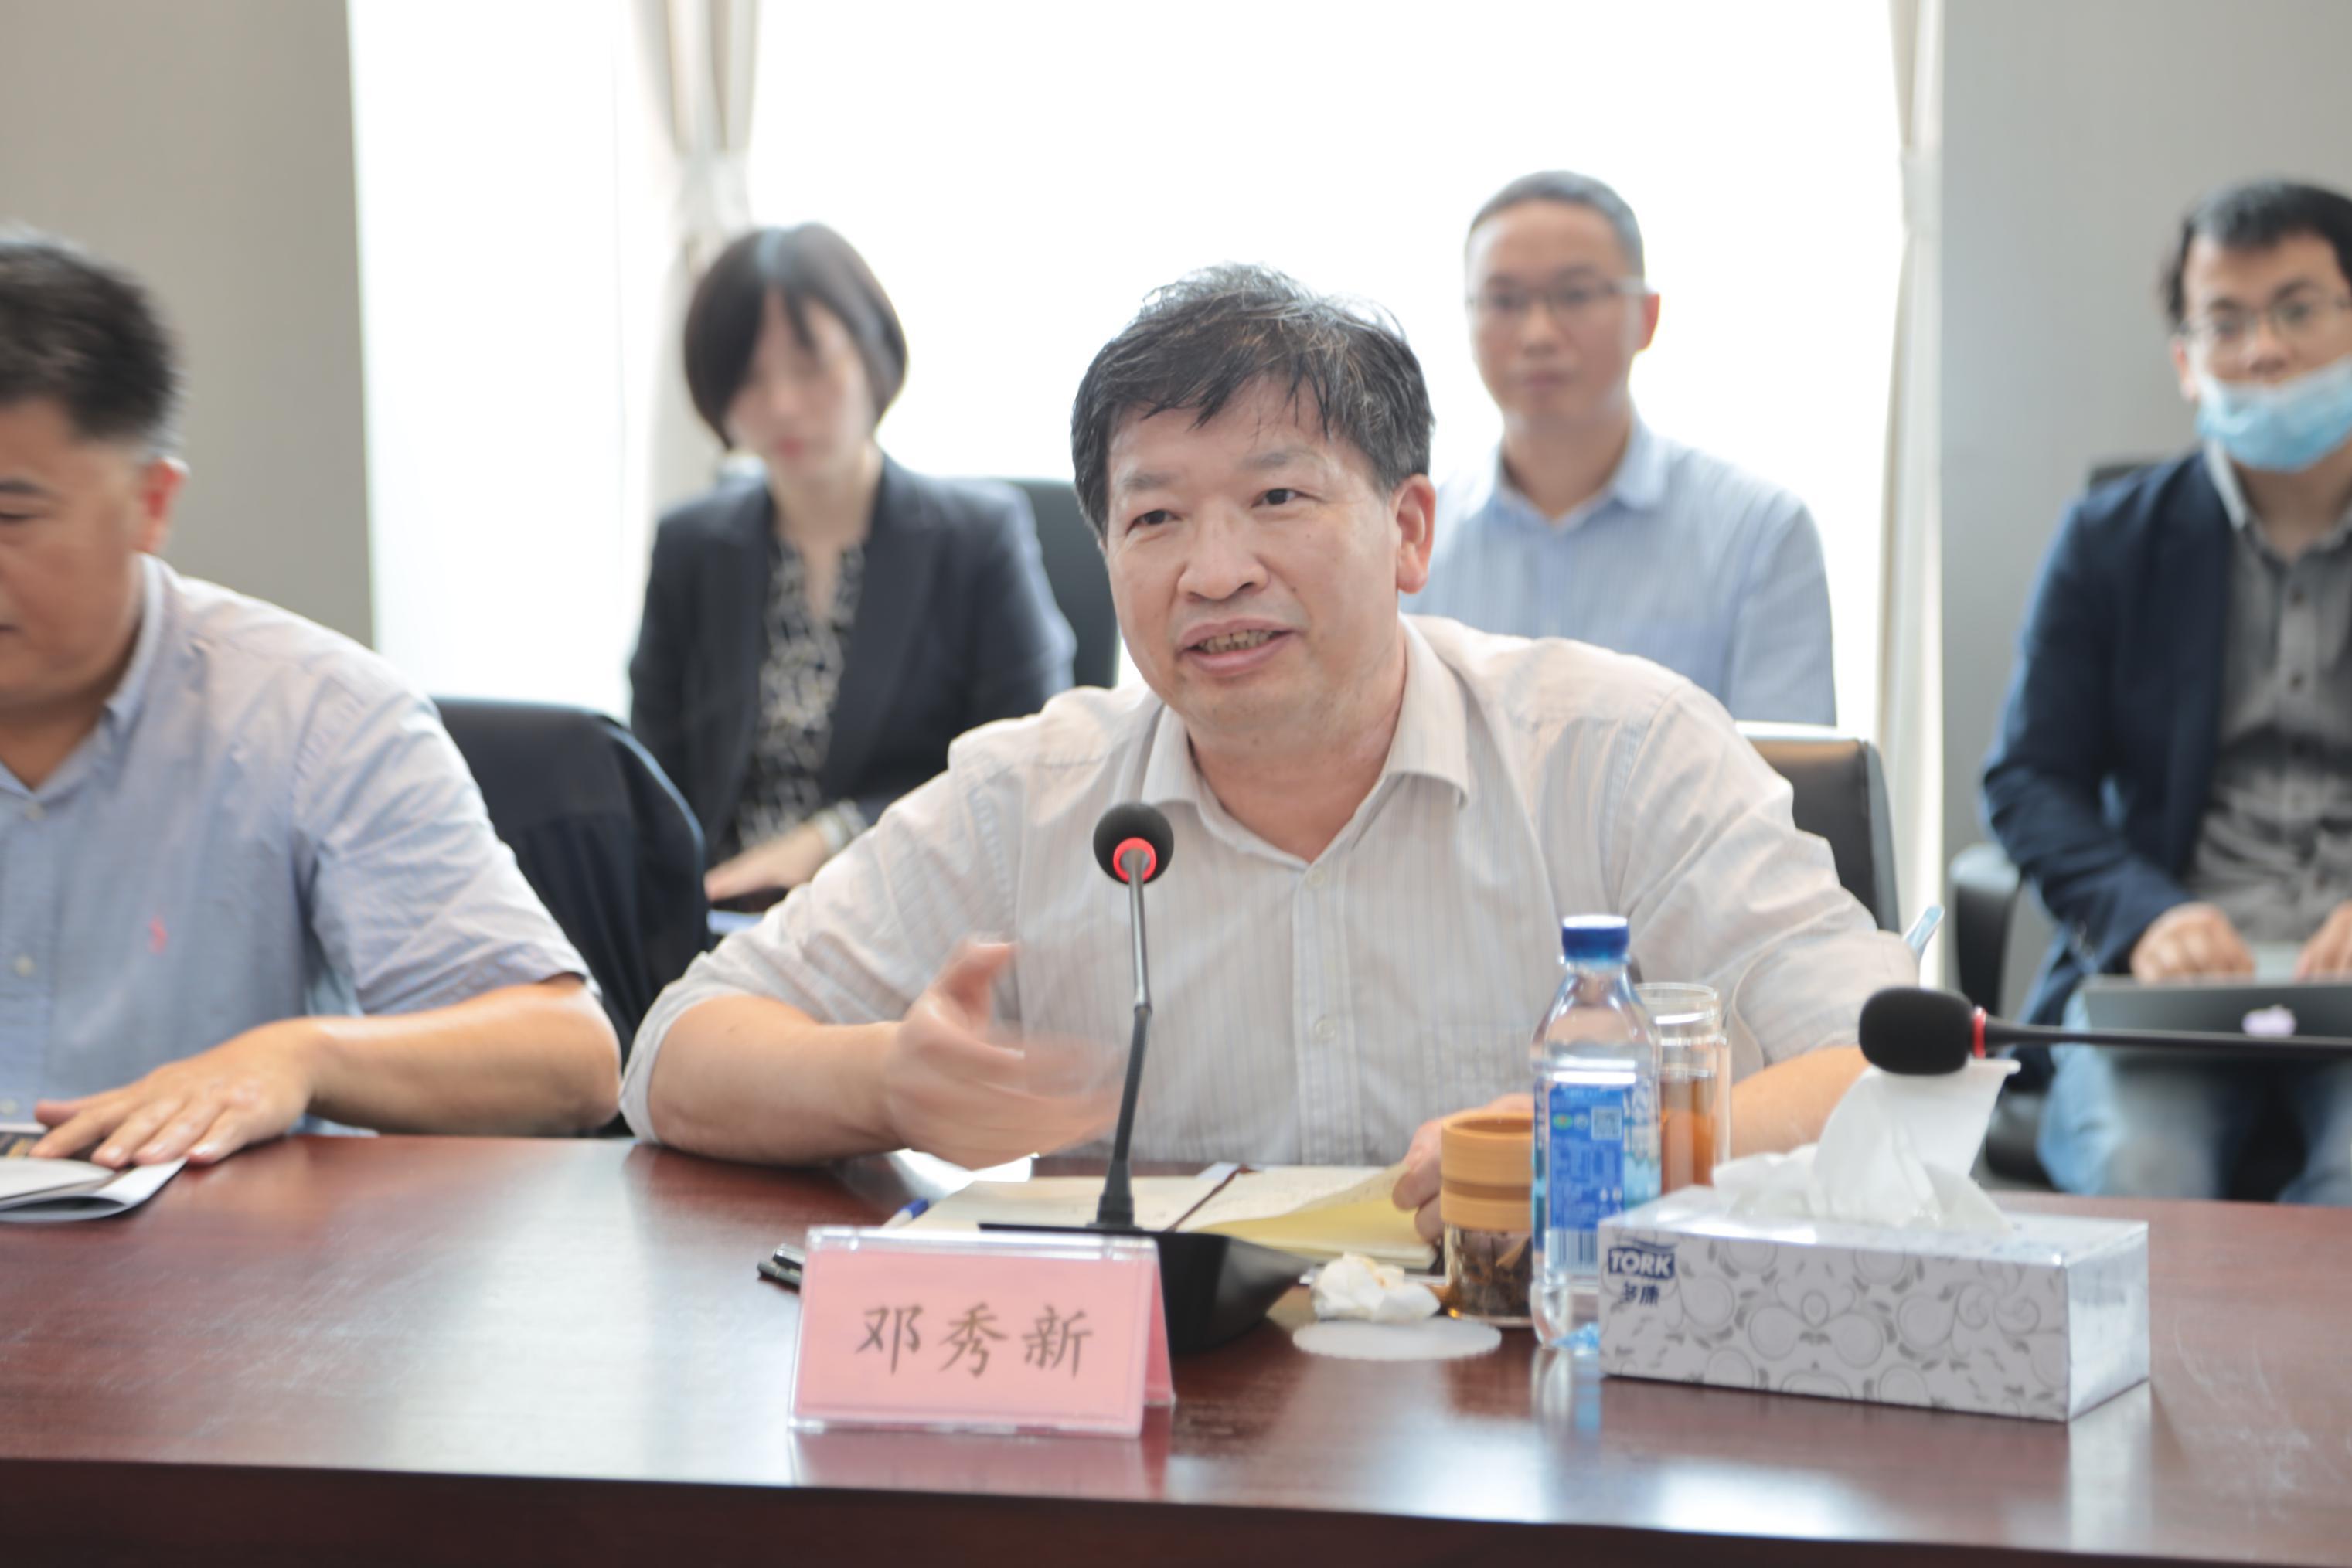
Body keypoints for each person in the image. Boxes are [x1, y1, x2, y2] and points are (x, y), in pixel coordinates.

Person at [618, 262, 1915, 1237]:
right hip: (1170, 1431)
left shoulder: (1616, 753)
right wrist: (886, 1081)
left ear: (1408, 530)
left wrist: (1624, 1145)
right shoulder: (1029, 793)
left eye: (1276, 497)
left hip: (1549, 1400)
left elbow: (1888, 1063)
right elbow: (676, 1048)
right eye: (1154, 519)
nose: (1213, 571)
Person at [0, 231, 619, 1168]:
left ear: (150, 505)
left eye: (12, 515)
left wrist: (299, 1057)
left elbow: (568, 1059)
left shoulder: (313, 717)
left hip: (219, 1257)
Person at [1984, 179, 2352, 1203]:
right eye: (2224, 322)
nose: (2262, 351)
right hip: (2168, 984)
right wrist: (2144, 915)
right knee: (2140, 1176)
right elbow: (2027, 779)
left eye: (2297, 309)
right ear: (2185, 362)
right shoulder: (2110, 538)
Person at [629, 225, 1074, 906]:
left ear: (873, 356)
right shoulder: (691, 546)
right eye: (747, 377)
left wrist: (835, 834)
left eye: (809, 368)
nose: (781, 405)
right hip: (721, 913)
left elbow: (1027, 763)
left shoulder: (976, 538)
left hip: (907, 907)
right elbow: (652, 774)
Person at [1409, 172, 1836, 725]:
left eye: (1575, 295)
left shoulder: (1758, 532)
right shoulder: (1410, 541)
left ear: (1647, 317)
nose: (1538, 334)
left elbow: (1783, 765)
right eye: (1504, 300)